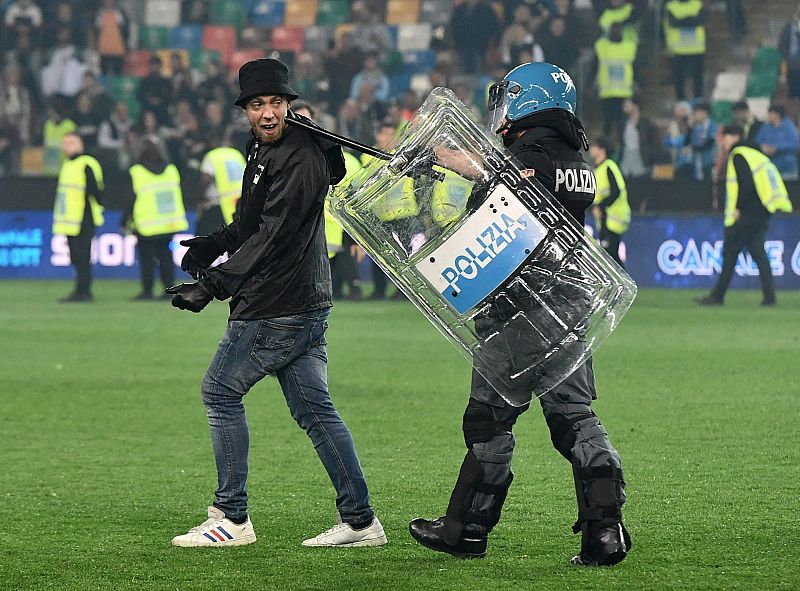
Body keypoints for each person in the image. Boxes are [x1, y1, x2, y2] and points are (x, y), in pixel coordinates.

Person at [409, 63, 631, 567]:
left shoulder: (531, 156)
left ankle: (466, 530)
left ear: (528, 100)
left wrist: (443, 156)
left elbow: (507, 184)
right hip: (570, 306)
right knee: (573, 418)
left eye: (509, 98)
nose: (502, 110)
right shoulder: (572, 157)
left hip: (521, 309)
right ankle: (605, 531)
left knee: (488, 422)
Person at [167, 58, 387, 548]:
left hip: (277, 303)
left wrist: (213, 285)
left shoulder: (301, 157)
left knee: (220, 392)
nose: (267, 113)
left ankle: (232, 518)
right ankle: (360, 521)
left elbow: (274, 236)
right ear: (245, 109)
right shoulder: (266, 147)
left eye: (275, 103)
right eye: (256, 104)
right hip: (301, 300)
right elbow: (253, 221)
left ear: (289, 104)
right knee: (315, 410)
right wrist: (216, 242)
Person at [696, 125, 793, 307]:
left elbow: (746, 183)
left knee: (731, 252)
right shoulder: (756, 154)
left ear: (735, 137)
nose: (723, 143)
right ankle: (769, 297)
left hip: (747, 213)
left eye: (725, 138)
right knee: (758, 252)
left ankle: (717, 296)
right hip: (762, 210)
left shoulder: (739, 154)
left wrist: (739, 208)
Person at [121, 141, 188, 300]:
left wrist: (124, 220)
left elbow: (130, 199)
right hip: (168, 222)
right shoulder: (171, 170)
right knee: (166, 257)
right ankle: (169, 289)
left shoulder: (137, 172)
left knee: (147, 260)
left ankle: (147, 290)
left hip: (146, 224)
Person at [52, 133, 104, 302]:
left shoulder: (86, 163)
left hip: (84, 217)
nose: (65, 146)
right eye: (64, 143)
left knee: (82, 257)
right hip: (71, 220)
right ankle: (80, 290)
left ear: (80, 144)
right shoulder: (68, 164)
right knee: (76, 257)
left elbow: (94, 190)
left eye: (70, 142)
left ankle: (84, 291)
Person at [589, 139, 631, 266]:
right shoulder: (599, 169)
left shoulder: (609, 166)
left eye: (594, 147)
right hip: (605, 219)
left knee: (611, 257)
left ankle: (623, 279)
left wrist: (600, 207)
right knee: (610, 258)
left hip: (613, 218)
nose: (590, 149)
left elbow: (616, 191)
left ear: (602, 150)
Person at [196, 137, 246, 235]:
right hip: (240, 202)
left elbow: (206, 179)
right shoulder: (236, 154)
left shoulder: (212, 156)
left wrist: (199, 198)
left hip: (218, 205)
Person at [663, 0, 706, 101]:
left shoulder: (697, 4)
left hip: (696, 48)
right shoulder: (670, 6)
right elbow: (673, 23)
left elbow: (700, 20)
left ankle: (698, 99)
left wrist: (682, 20)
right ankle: (681, 99)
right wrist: (690, 19)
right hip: (679, 49)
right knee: (679, 77)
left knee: (698, 76)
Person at [754, 104, 799, 181]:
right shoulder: (766, 127)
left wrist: (777, 148)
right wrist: (763, 147)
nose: (768, 116)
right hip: (769, 166)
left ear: (777, 114)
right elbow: (757, 141)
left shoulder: (789, 127)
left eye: (770, 114)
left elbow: (795, 144)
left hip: (786, 167)